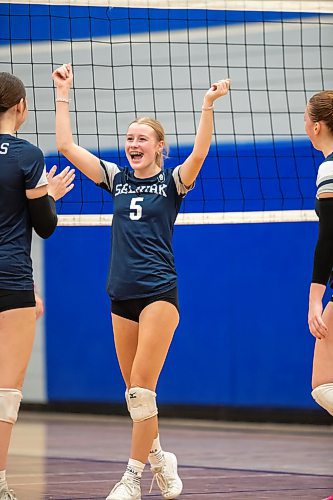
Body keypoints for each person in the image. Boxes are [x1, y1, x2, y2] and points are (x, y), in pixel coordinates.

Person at [52, 62, 230, 500]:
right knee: (134, 397)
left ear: (159, 147)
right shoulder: (116, 179)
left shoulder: (172, 183)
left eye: (142, 139)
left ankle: (131, 477)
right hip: (120, 295)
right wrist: (63, 93)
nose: (133, 144)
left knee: (141, 390)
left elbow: (201, 155)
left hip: (158, 295)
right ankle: (161, 461)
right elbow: (65, 145)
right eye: (129, 138)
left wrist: (207, 106)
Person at [0, 72, 75, 500]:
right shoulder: (28, 155)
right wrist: (48, 197)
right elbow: (44, 226)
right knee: (6, 393)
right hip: (12, 281)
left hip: (15, 283)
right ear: (22, 109)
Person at [305, 91, 333, 500]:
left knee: (323, 385)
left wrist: (315, 299)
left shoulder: (329, 169)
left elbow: (329, 238)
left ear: (317, 126)